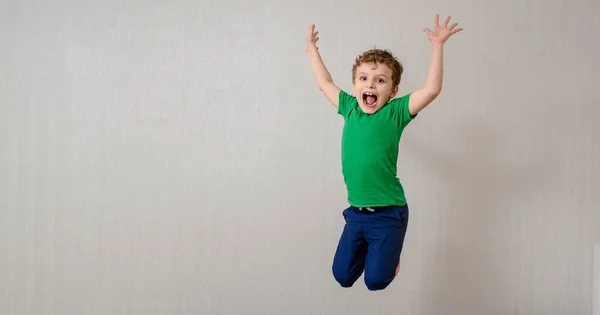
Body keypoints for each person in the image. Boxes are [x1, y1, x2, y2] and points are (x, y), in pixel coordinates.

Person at [306, 14, 463, 291]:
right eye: (364, 79)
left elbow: (432, 89)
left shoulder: (395, 113)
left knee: (375, 281)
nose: (370, 85)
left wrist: (437, 45)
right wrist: (312, 50)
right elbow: (324, 82)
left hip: (388, 213)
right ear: (354, 85)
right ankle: (378, 255)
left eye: (380, 81)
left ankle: (388, 259)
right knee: (342, 276)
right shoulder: (349, 107)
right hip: (356, 213)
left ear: (393, 91)